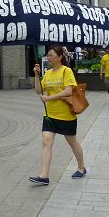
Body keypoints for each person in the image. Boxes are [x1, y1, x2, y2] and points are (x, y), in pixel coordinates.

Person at [29, 46, 86, 185]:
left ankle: (81, 167)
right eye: (47, 55)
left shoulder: (66, 71)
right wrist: (37, 74)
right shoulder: (47, 73)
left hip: (66, 115)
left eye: (50, 55)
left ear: (60, 57)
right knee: (46, 142)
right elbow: (38, 91)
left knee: (72, 142)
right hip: (49, 114)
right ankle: (44, 176)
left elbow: (68, 91)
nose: (48, 58)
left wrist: (49, 98)